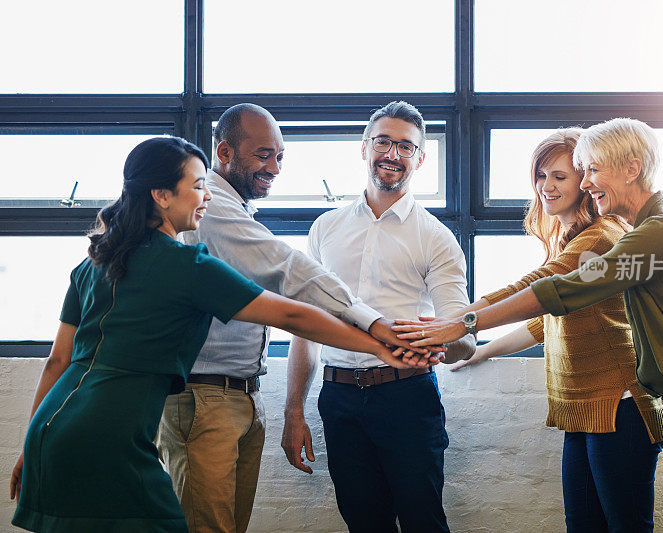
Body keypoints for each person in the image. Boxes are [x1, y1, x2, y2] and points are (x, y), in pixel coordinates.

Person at [9, 136, 423, 532]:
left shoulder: (92, 263)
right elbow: (293, 316)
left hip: (53, 428)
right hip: (109, 439)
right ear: (162, 195)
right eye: (198, 185)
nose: (207, 196)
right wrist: (380, 347)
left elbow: (58, 363)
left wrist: (31, 445)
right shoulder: (187, 266)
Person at [394, 118, 663, 532]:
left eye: (591, 170)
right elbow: (553, 308)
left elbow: (559, 289)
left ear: (632, 169)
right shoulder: (645, 230)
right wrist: (477, 341)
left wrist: (464, 322)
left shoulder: (658, 230)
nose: (586, 181)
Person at [156, 104, 427, 533]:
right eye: (264, 154)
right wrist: (377, 331)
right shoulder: (214, 209)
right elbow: (289, 281)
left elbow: (290, 307)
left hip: (237, 394)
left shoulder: (433, 235)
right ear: (224, 152)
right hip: (204, 398)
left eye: (280, 156)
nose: (275, 167)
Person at [449, 129, 663, 531]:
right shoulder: (571, 240)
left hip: (621, 406)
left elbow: (534, 289)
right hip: (586, 411)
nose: (546, 186)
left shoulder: (600, 239)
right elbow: (544, 321)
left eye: (560, 177)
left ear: (585, 183)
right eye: (541, 175)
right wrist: (481, 350)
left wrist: (458, 323)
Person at [282, 101, 476, 533]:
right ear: (364, 147)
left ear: (420, 159)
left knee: (423, 521)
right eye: (383, 142)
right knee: (363, 523)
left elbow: (463, 334)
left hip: (407, 399)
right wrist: (293, 411)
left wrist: (439, 341)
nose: (392, 154)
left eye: (406, 146)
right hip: (338, 399)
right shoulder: (325, 229)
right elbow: (305, 328)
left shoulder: (436, 239)